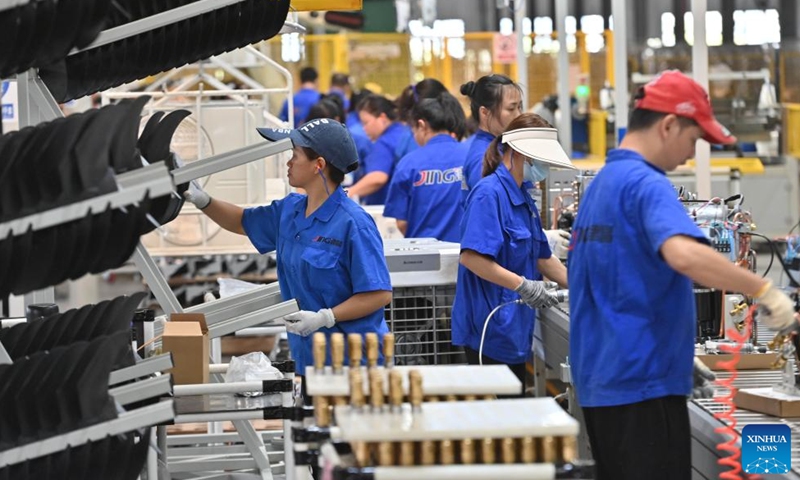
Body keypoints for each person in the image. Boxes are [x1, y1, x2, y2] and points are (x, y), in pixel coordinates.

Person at [567, 70, 798, 480]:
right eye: (693, 140)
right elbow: (685, 255)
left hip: (605, 382)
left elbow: (613, 284)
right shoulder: (646, 184)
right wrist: (764, 290)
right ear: (668, 124)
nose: (690, 155)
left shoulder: (604, 184)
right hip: (642, 388)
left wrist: (676, 354)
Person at [183, 119, 393, 388]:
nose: (288, 163)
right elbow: (241, 221)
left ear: (319, 165)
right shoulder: (290, 211)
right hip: (309, 359)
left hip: (354, 365)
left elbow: (379, 294)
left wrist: (325, 317)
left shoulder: (354, 224)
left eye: (295, 156)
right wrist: (203, 201)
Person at [451, 113, 569, 393]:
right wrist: (523, 285)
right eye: (539, 159)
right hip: (488, 329)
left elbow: (542, 257)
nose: (543, 168)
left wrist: (582, 287)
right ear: (518, 152)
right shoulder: (489, 194)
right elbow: (472, 257)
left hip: (513, 330)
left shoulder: (522, 196)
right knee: (496, 423)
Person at [460, 74, 571, 256]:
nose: (518, 115)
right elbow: (489, 231)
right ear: (485, 112)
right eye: (511, 109)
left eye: (520, 107)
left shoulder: (505, 149)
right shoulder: (484, 158)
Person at [383, 92, 467, 242]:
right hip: (468, 254)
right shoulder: (471, 157)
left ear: (422, 125)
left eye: (413, 131)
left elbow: (402, 222)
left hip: (424, 257)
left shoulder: (408, 164)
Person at [347, 94, 417, 205]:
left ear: (382, 118)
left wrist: (347, 193)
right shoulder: (405, 132)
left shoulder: (384, 142)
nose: (364, 129)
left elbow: (377, 177)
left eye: (366, 123)